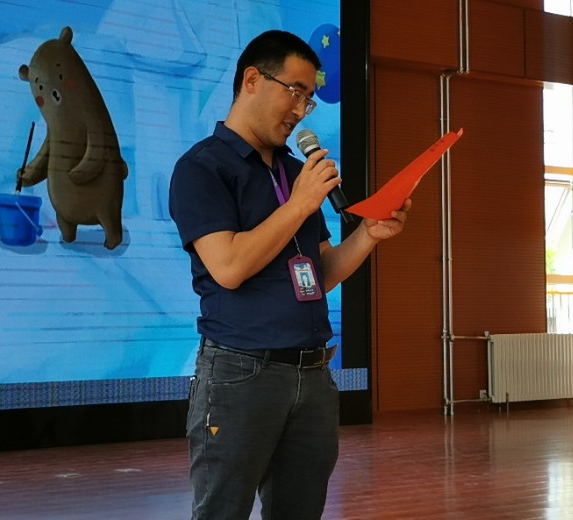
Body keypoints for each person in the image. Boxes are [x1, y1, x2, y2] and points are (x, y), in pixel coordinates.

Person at [168, 29, 410, 520]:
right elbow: (228, 267)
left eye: (309, 100)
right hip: (241, 374)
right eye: (294, 91)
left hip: (313, 375)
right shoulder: (202, 168)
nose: (301, 110)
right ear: (252, 80)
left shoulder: (293, 173)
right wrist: (299, 205)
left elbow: (320, 274)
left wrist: (367, 235)